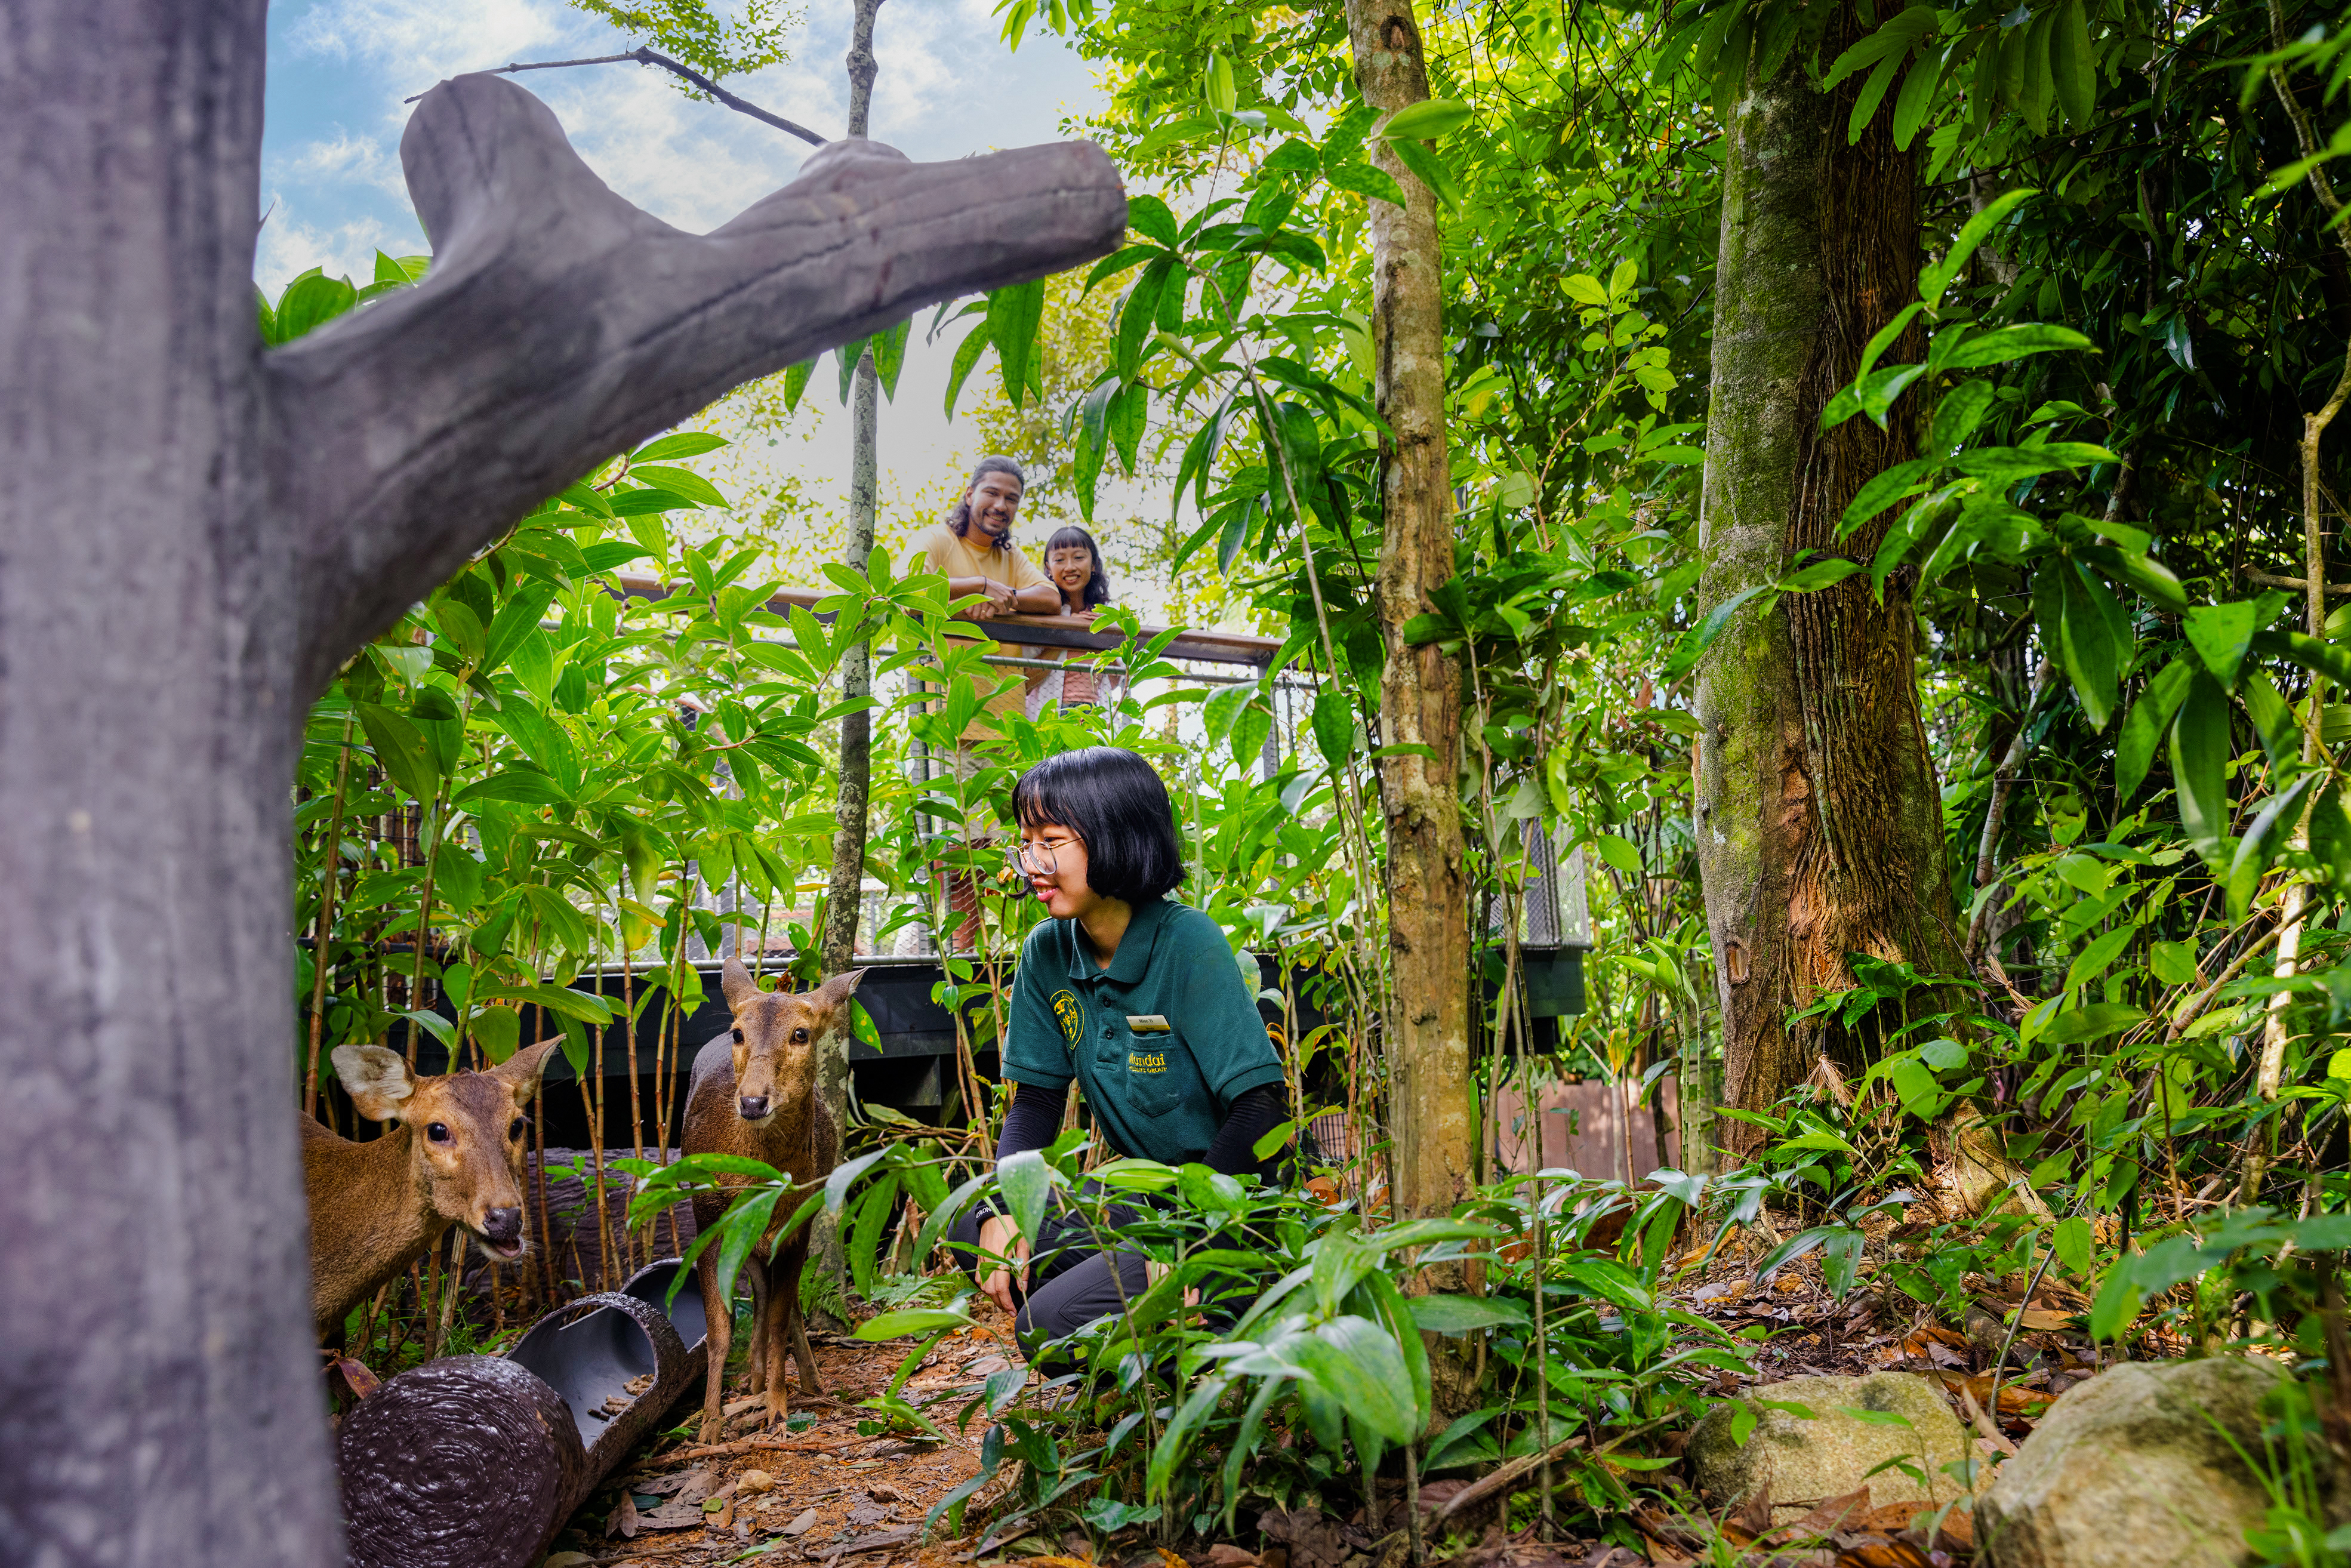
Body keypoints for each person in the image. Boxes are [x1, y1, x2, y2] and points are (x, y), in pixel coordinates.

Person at [947, 747, 1290, 1352]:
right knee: (971, 1226)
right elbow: (1033, 1106)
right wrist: (1002, 1207)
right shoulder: (1047, 952)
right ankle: (1149, 1321)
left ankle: (1213, 1318)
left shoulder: (1189, 941)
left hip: (1229, 1214)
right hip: (1140, 1206)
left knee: (1045, 1329)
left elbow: (1261, 1106)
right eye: (1025, 842)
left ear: (1114, 837)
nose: (1031, 862)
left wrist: (1194, 1239)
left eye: (1050, 841)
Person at [911, 457, 1059, 947]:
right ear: (969, 492)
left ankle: (1002, 953)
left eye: (1011, 498)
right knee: (958, 843)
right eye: (992, 493)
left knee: (1009, 844)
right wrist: (975, 586)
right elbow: (907, 589)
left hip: (1006, 719)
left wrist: (1001, 596)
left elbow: (1051, 599)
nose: (1000, 506)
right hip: (955, 718)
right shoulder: (939, 541)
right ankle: (965, 948)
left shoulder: (1009, 557)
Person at [1027, 525, 1123, 716]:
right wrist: (1069, 634)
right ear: (1048, 567)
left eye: (1079, 557)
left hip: (1095, 717)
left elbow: (1115, 680)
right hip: (1049, 718)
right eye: (1060, 560)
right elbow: (1026, 682)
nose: (1070, 567)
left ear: (1093, 564)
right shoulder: (1042, 614)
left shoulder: (1105, 617)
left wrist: (1101, 640)